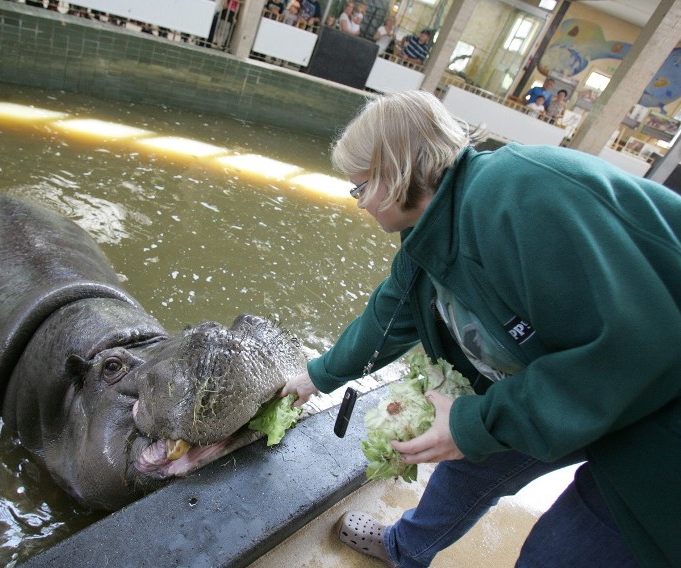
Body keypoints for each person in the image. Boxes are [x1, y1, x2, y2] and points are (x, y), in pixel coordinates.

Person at [281, 90, 680, 568]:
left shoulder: (521, 199)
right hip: (561, 388)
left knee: (559, 555)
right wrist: (317, 377)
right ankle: (404, 548)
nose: (360, 203)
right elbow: (390, 316)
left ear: (396, 172)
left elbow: (639, 347)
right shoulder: (432, 230)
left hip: (656, 420)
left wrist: (480, 422)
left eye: (359, 187)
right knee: (470, 460)